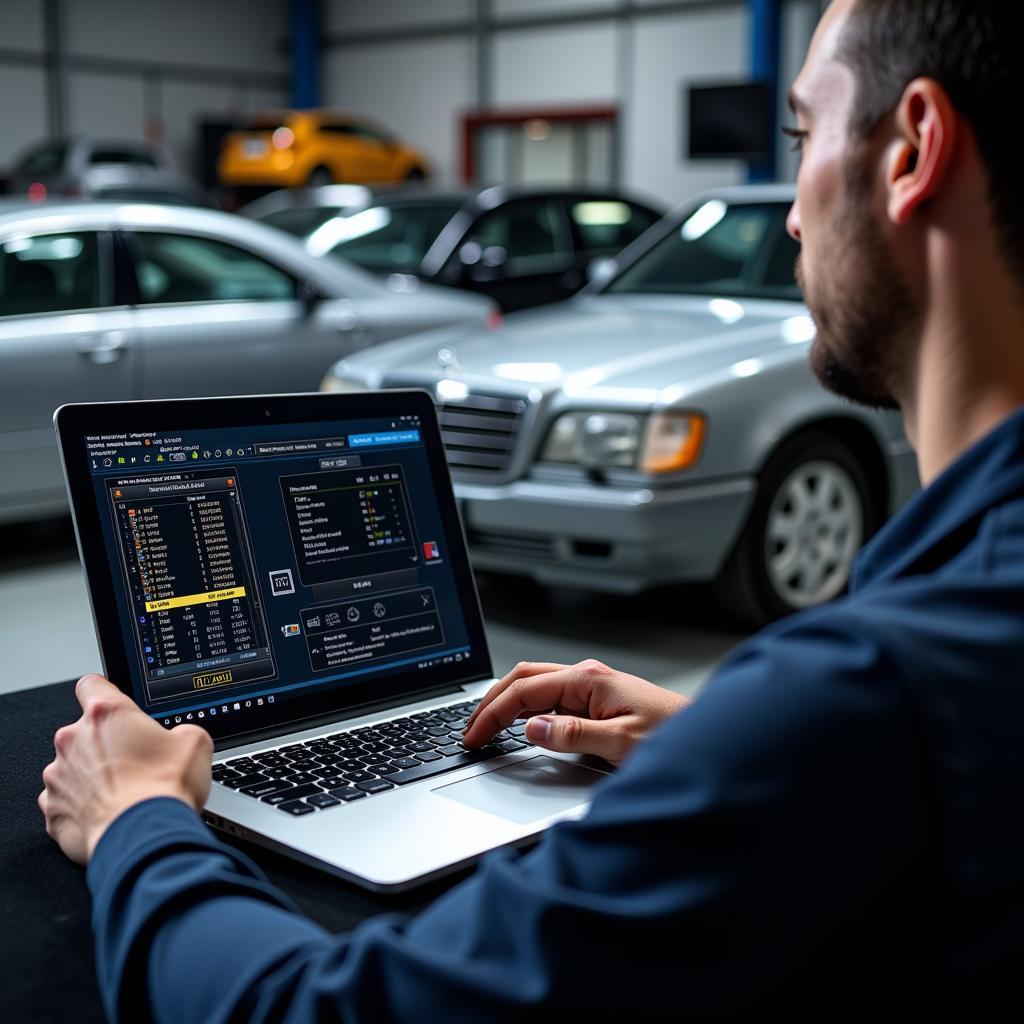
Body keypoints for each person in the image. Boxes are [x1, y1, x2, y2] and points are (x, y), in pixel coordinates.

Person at [39, 0, 1024, 1018]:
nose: (787, 214)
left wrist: (137, 816)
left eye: (803, 135)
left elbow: (303, 1008)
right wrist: (720, 748)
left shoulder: (875, 691)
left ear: (912, 149)